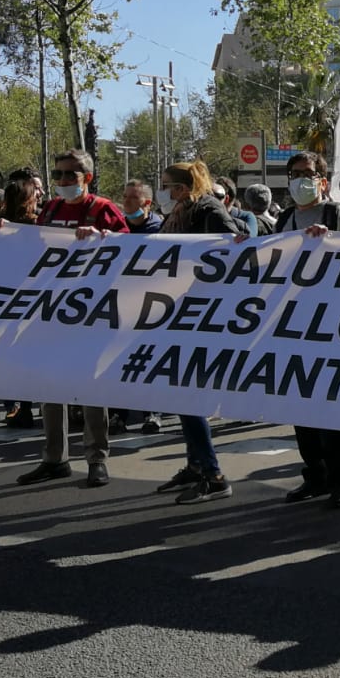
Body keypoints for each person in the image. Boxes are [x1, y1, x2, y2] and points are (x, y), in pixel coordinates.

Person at [14, 149, 128, 489]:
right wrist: (2, 231)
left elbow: (134, 252)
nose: (63, 181)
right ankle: (54, 459)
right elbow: (34, 247)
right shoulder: (50, 209)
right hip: (52, 311)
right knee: (51, 388)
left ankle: (96, 459)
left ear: (87, 179)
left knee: (91, 390)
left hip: (91, 313)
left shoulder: (104, 210)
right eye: (59, 174)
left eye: (70, 175)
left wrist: (101, 238)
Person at [277, 149, 340, 508]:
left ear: (322, 181)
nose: (301, 180)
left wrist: (333, 242)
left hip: (331, 327)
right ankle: (314, 475)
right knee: (300, 409)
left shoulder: (338, 215)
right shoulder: (283, 221)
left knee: (329, 408)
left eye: (308, 173)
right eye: (295, 174)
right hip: (293, 326)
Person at [152, 161, 242, 505]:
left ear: (181, 187)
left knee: (189, 397)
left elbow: (235, 245)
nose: (161, 191)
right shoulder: (180, 211)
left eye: (165, 185)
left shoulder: (208, 210)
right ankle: (195, 464)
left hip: (201, 317)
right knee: (180, 395)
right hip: (180, 314)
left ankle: (213, 474)